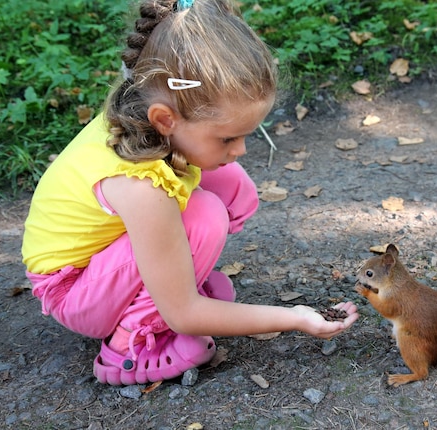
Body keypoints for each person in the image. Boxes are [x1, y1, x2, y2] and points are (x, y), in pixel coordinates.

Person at [21, 0, 358, 386]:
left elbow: (218, 170)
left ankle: (167, 281)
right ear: (165, 120)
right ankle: (128, 344)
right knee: (204, 216)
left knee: (232, 185)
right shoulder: (141, 187)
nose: (241, 149)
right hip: (74, 291)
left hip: (102, 264)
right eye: (228, 137)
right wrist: (296, 317)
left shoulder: (146, 107)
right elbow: (184, 314)